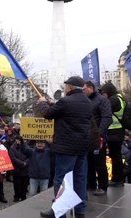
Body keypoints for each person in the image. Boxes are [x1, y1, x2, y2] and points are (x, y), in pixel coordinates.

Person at [37, 76, 93, 218]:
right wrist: (51, 104)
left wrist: (42, 103)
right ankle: (80, 211)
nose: (64, 88)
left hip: (66, 147)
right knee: (80, 179)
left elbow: (48, 114)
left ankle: (59, 211)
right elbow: (63, 112)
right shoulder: (88, 102)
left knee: (61, 179)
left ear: (70, 87)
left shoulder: (66, 101)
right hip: (82, 147)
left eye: (65, 86)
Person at [83, 81, 112, 195]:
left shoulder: (102, 100)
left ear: (91, 88)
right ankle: (91, 184)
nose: (83, 91)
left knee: (99, 163)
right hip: (86, 137)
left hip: (98, 138)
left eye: (84, 89)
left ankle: (103, 186)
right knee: (89, 162)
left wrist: (99, 133)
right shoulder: (86, 101)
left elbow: (106, 118)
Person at [100, 82, 126, 187]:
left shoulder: (114, 100)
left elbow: (103, 108)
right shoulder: (119, 98)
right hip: (117, 131)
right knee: (115, 155)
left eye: (104, 93)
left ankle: (118, 179)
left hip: (115, 131)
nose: (103, 95)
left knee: (115, 156)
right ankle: (117, 179)